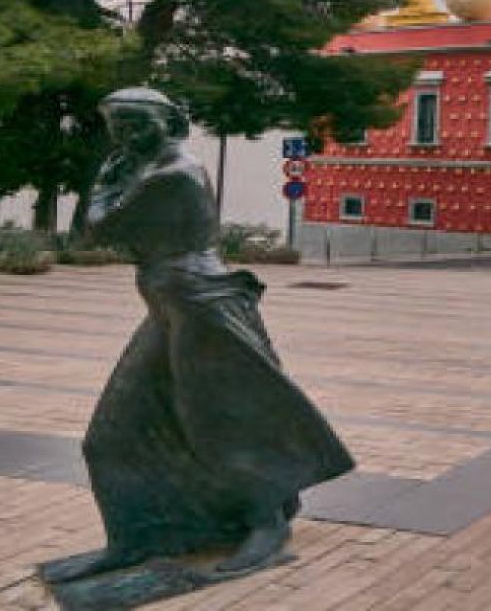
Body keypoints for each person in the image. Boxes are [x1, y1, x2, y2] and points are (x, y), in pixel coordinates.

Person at [41, 88, 353, 585]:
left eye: (136, 123)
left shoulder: (174, 175)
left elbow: (97, 230)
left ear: (171, 123)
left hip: (202, 307)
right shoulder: (146, 169)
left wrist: (104, 179)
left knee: (222, 422)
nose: (124, 135)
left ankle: (266, 522)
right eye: (116, 125)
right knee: (111, 435)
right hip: (171, 307)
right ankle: (131, 539)